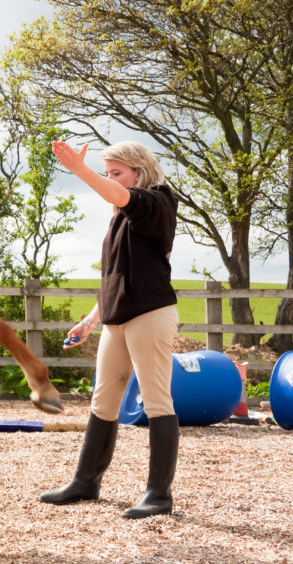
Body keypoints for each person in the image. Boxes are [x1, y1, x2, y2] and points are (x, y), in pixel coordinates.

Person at [40, 140, 180, 519]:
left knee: (156, 402)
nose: (110, 180)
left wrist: (79, 171)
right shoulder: (120, 217)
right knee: (103, 401)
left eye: (116, 172)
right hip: (117, 318)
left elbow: (121, 196)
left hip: (150, 315)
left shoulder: (158, 203)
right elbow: (118, 276)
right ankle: (86, 482)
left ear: (139, 171)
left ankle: (158, 495)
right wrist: (90, 321)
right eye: (106, 172)